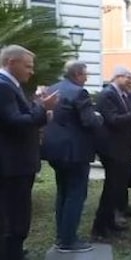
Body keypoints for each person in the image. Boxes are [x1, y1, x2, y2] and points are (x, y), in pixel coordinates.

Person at [0, 44, 57, 260]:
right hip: (13, 165)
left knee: (17, 214)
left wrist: (39, 108)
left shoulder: (11, 85)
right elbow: (15, 122)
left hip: (16, 164)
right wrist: (43, 108)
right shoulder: (3, 86)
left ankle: (14, 249)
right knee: (15, 215)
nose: (31, 71)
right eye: (28, 66)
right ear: (11, 62)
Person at [41, 61, 103, 253]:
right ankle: (69, 240)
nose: (87, 78)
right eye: (85, 74)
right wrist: (98, 117)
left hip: (55, 150)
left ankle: (61, 236)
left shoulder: (53, 88)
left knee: (63, 193)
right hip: (75, 152)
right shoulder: (79, 92)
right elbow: (89, 121)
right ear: (77, 74)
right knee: (76, 195)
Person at [91, 67, 131, 239]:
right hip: (112, 149)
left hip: (125, 149)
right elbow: (114, 120)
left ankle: (111, 223)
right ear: (117, 77)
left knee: (118, 189)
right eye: (128, 77)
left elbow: (130, 117)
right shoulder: (107, 95)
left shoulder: (127, 95)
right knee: (111, 188)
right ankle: (99, 227)